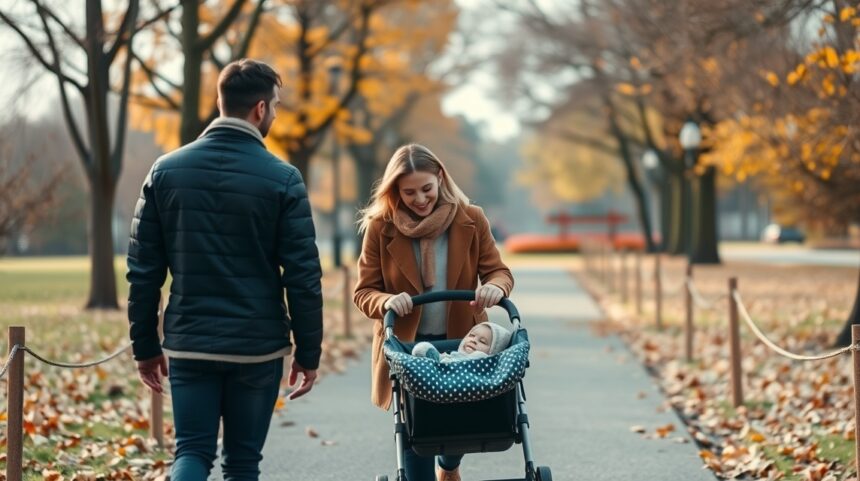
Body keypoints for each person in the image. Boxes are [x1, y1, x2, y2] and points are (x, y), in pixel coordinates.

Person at [126, 59, 323, 481]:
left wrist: (144, 345)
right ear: (259, 109)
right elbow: (303, 276)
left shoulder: (165, 170)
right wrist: (308, 353)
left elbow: (143, 269)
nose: (275, 112)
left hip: (190, 341)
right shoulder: (283, 178)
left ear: (220, 102)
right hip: (258, 346)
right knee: (242, 463)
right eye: (275, 105)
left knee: (192, 453)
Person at [353, 143, 514, 481]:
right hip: (408, 349)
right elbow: (364, 292)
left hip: (462, 342)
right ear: (395, 190)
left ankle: (449, 466)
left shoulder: (471, 219)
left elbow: (500, 272)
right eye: (409, 192)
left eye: (426, 188)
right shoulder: (381, 227)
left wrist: (495, 288)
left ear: (440, 178)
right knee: (417, 434)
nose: (420, 199)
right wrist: (385, 302)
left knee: (458, 427)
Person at [412, 321, 512, 363]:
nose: (474, 340)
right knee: (423, 349)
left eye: (482, 341)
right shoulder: (450, 355)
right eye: (472, 335)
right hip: (438, 384)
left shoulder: (484, 367)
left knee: (478, 356)